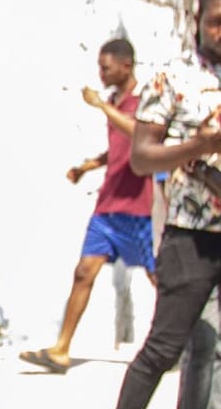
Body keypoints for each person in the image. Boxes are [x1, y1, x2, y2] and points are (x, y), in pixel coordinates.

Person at [95, 0, 221, 409]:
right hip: (192, 236)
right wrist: (198, 143)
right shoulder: (173, 78)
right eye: (216, 20)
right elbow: (144, 156)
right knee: (166, 345)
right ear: (197, 20)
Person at [21, 39, 152, 373]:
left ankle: (187, 340)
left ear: (126, 66)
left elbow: (139, 135)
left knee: (161, 280)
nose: (101, 73)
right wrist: (87, 167)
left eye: (106, 67)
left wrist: (101, 107)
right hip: (108, 205)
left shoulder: (144, 102)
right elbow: (118, 148)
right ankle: (62, 349)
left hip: (138, 208)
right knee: (83, 273)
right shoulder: (116, 102)